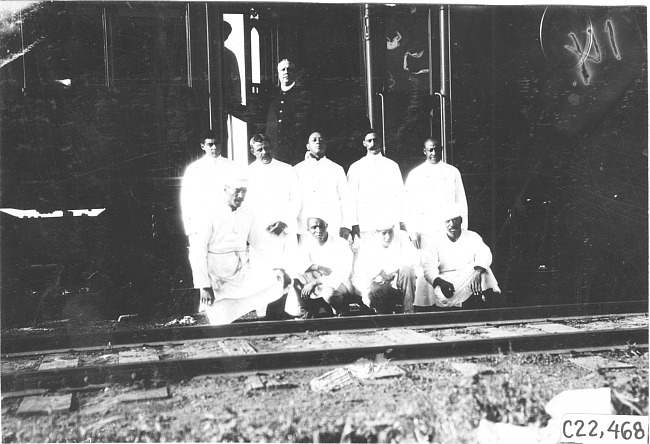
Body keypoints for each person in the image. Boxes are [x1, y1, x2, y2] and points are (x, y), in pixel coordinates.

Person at [190, 169, 286, 325]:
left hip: (242, 269)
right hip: (217, 273)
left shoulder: (247, 213)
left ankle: (271, 321)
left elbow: (260, 243)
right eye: (237, 191)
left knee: (279, 280)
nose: (241, 196)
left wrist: (277, 267)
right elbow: (197, 252)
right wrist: (204, 286)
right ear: (225, 189)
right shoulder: (208, 213)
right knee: (220, 322)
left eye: (244, 191)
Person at [414, 204, 500, 310]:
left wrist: (478, 272)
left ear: (461, 220)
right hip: (447, 280)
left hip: (470, 277)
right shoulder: (435, 241)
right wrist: (440, 282)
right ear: (443, 223)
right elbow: (428, 268)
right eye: (448, 221)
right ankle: (470, 302)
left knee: (485, 271)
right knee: (443, 298)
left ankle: (488, 304)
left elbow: (485, 253)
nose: (452, 225)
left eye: (455, 220)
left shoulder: (472, 236)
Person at [180, 129, 235, 288]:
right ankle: (204, 293)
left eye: (217, 143)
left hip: (225, 220)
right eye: (210, 144)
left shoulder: (233, 167)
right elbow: (187, 199)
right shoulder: (194, 169)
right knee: (199, 256)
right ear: (202, 146)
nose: (214, 147)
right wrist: (189, 226)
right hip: (201, 220)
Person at [244, 133, 301, 272]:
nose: (264, 152)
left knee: (290, 273)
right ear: (253, 151)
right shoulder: (247, 173)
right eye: (259, 150)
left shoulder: (286, 169)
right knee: (262, 275)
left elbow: (296, 198)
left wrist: (284, 222)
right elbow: (245, 205)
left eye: (267, 148)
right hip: (259, 233)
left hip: (285, 230)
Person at [404, 137, 468, 249]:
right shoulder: (415, 175)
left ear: (442, 149)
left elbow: (461, 202)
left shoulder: (452, 172)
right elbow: (408, 206)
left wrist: (463, 229)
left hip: (448, 230)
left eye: (437, 149)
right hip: (425, 230)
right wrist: (412, 232)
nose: (434, 153)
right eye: (430, 150)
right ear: (424, 151)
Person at [286, 215, 354, 318]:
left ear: (326, 226)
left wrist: (315, 282)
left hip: (339, 283)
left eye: (321, 226)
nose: (318, 230)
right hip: (319, 282)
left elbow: (341, 273)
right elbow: (299, 264)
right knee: (295, 278)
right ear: (308, 229)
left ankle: (343, 311)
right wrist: (317, 267)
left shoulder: (340, 243)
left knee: (329, 294)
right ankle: (311, 310)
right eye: (314, 227)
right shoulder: (306, 244)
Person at [347, 219, 420, 314]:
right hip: (378, 290)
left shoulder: (401, 237)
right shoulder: (367, 246)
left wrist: (388, 270)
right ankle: (383, 317)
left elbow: (414, 259)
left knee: (407, 270)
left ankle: (408, 312)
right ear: (376, 233)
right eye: (384, 233)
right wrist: (368, 288)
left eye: (390, 232)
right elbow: (358, 277)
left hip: (398, 288)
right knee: (373, 290)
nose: (388, 236)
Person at [346, 129, 406, 242]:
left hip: (388, 224)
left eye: (376, 140)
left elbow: (400, 195)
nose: (373, 144)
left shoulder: (392, 166)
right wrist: (354, 223)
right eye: (369, 141)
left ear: (381, 141)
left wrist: (401, 221)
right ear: (364, 143)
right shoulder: (356, 167)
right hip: (366, 225)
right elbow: (350, 199)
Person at [293, 131, 354, 241]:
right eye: (314, 140)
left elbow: (346, 199)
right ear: (308, 146)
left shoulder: (336, 169)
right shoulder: (297, 170)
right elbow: (293, 201)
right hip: (306, 228)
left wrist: (346, 225)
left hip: (332, 226)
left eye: (321, 140)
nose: (318, 142)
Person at [265, 59, 315, 165]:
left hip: (297, 154)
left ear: (295, 74)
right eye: (283, 70)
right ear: (278, 74)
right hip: (275, 154)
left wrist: (310, 149)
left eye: (290, 70)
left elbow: (311, 125)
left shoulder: (303, 96)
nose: (286, 72)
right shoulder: (271, 96)